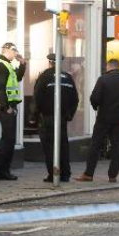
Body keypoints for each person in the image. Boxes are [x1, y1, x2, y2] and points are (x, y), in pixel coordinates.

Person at [76, 59, 119, 183]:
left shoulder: (103, 79)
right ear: (118, 67)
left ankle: (88, 174)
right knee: (117, 147)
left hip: (104, 118)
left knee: (95, 145)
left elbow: (94, 98)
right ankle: (112, 176)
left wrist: (96, 107)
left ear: (109, 67)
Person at [33, 53, 79, 183]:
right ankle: (65, 174)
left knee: (49, 147)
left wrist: (33, 116)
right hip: (62, 119)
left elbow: (37, 97)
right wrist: (69, 115)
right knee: (63, 146)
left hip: (47, 118)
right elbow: (75, 99)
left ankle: (53, 175)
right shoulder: (68, 78)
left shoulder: (45, 77)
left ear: (50, 63)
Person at [0, 43, 26, 181]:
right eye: (13, 51)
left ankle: (3, 171)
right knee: (7, 139)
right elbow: (0, 88)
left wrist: (22, 64)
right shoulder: (0, 65)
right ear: (6, 50)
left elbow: (18, 78)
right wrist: (5, 107)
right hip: (6, 107)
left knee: (9, 140)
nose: (15, 54)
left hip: (11, 106)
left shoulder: (8, 65)